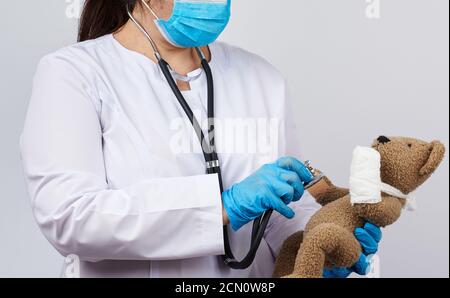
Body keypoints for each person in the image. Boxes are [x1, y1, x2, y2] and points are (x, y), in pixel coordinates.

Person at [20, 0, 381, 278]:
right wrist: (224, 206)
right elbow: (71, 217)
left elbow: (285, 208)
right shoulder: (74, 74)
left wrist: (314, 245)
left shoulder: (261, 78)